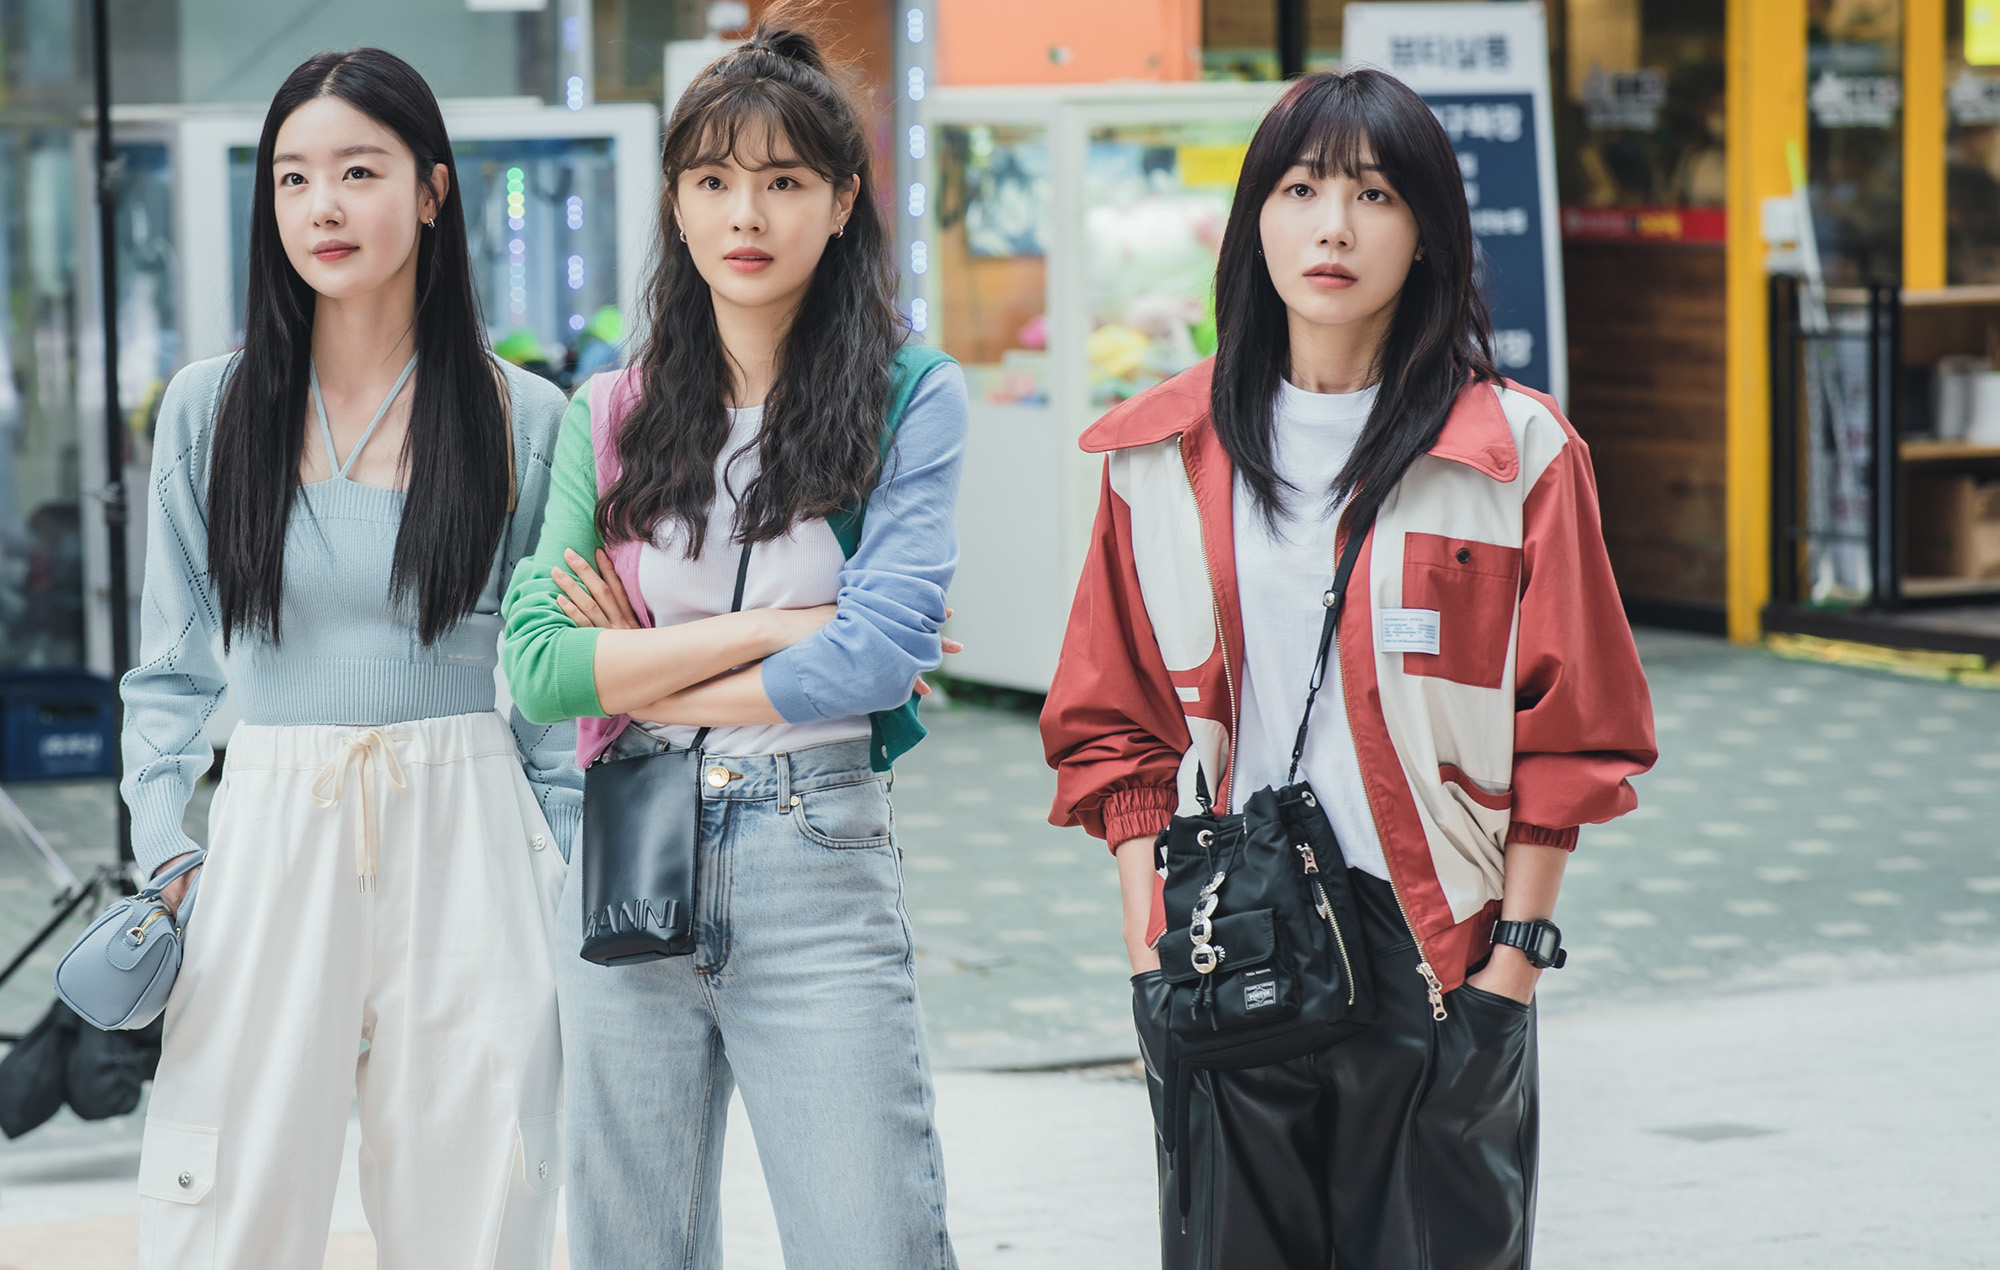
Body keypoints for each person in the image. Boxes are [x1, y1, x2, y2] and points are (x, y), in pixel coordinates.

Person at [1040, 69, 1658, 1268]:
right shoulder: (1157, 453)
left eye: (1373, 195)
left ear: (1425, 233)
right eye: (1300, 189)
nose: (1332, 226)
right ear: (1252, 220)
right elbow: (1112, 720)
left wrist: (1507, 973)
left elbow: (1572, 730)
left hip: (1434, 955)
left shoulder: (1513, 452)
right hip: (1225, 944)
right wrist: (1147, 944)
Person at [502, 21, 966, 1269]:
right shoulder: (610, 410)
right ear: (676, 201)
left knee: (870, 1240)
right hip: (628, 845)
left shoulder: (908, 394)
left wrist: (644, 662)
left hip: (812, 850)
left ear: (842, 200)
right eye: (711, 179)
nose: (743, 214)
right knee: (631, 1248)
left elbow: (874, 661)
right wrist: (775, 627)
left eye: (782, 181)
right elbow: (537, 668)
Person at [119, 48, 578, 1267]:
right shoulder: (209, 411)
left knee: (480, 1201)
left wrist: (561, 879)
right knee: (224, 1208)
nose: (321, 205)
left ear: (431, 191)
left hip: (471, 827)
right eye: (292, 177)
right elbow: (169, 669)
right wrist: (167, 845)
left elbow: (553, 700)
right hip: (271, 825)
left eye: (359, 172)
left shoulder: (525, 419)